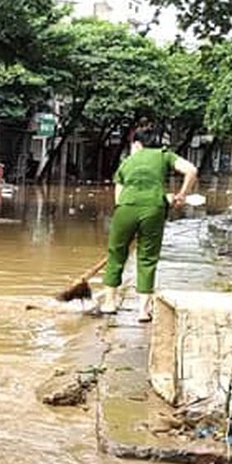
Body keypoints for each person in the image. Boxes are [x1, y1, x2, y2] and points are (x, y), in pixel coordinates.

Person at [99, 127, 198, 322]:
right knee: (147, 258)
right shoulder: (164, 156)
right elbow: (191, 170)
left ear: (137, 144)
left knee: (116, 254)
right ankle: (143, 311)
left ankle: (109, 303)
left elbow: (118, 197)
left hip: (125, 209)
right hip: (154, 209)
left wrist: (130, 218)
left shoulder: (126, 162)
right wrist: (180, 196)